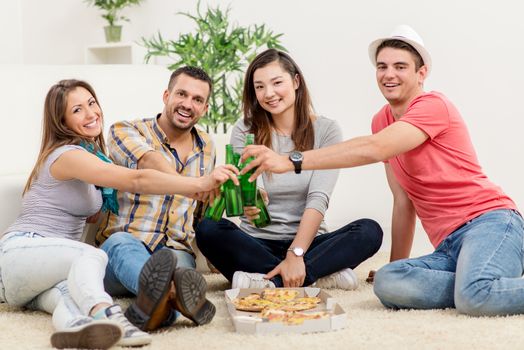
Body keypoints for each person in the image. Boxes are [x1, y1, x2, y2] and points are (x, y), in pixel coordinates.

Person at [240, 25, 524, 316]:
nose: (389, 74)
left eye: (400, 66)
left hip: (490, 224)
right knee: (389, 282)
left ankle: (478, 287)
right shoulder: (382, 120)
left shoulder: (434, 105)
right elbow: (403, 202)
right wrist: (398, 263)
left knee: (474, 298)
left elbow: (376, 148)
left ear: (421, 73)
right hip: (448, 247)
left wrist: (290, 161)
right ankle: (482, 283)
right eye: (382, 66)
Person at [0, 79, 238, 349]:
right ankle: (112, 311)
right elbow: (136, 180)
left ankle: (110, 328)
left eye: (92, 103)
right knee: (94, 253)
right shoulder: (67, 155)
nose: (91, 113)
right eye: (77, 110)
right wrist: (198, 184)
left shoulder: (93, 158)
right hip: (22, 251)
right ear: (61, 121)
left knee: (69, 298)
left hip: (41, 277)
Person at [196, 49, 383, 290]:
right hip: (256, 242)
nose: (269, 94)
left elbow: (318, 198)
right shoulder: (245, 128)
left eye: (277, 83)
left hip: (308, 244)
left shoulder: (327, 130)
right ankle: (317, 274)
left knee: (369, 231)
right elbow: (247, 188)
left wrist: (296, 253)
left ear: (295, 82)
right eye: (260, 87)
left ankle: (269, 280)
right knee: (208, 229)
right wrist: (251, 198)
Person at [95, 66, 225, 330]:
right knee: (121, 243)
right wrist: (194, 185)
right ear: (166, 95)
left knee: (179, 269)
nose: (188, 104)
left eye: (197, 100)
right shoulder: (126, 130)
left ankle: (162, 307)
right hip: (123, 250)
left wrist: (216, 257)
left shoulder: (207, 148)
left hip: (175, 252)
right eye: (182, 94)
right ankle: (176, 297)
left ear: (205, 108)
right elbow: (149, 162)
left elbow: (202, 212)